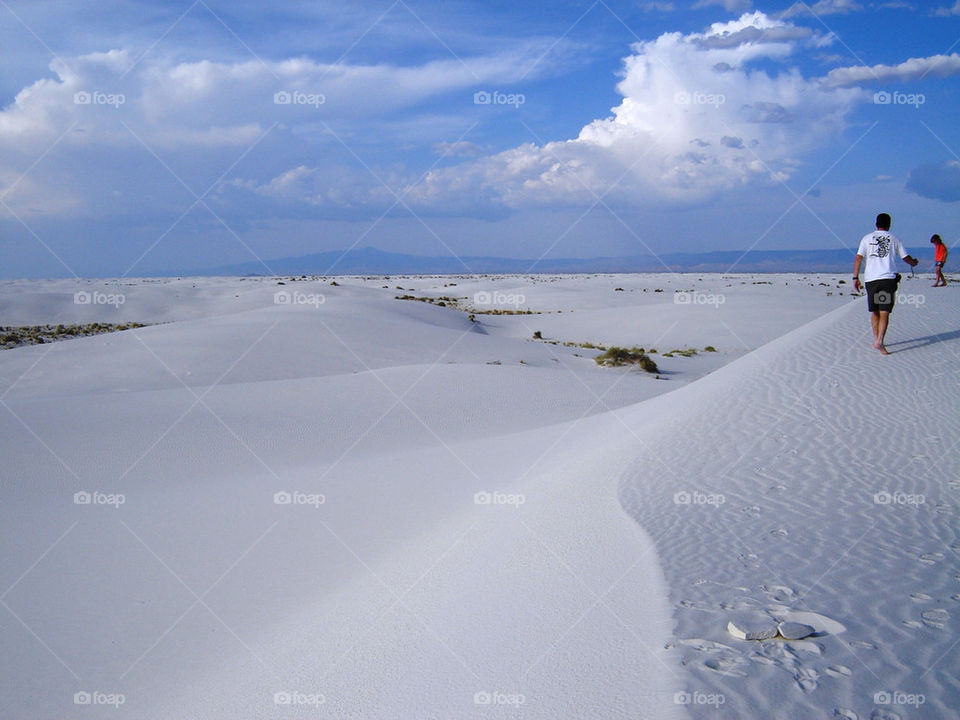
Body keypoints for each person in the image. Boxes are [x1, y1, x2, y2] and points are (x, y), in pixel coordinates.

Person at [852, 213, 919, 355]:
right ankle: (879, 341)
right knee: (884, 312)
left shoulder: (866, 238)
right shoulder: (894, 238)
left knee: (874, 311)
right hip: (887, 279)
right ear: (889, 224)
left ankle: (876, 338)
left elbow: (858, 258)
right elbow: (905, 257)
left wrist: (855, 277)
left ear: (876, 224)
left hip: (871, 280)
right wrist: (913, 262)